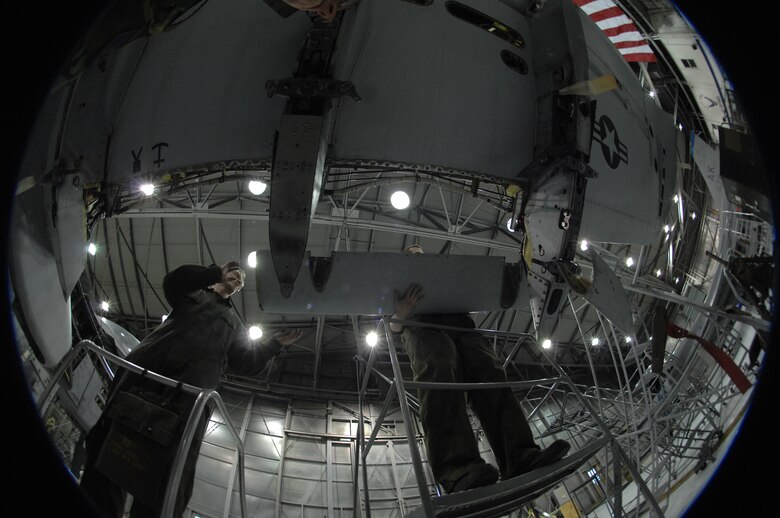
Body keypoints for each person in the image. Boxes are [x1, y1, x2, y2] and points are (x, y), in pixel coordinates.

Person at [79, 261, 302, 517]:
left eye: (241, 281)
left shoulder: (234, 323)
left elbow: (243, 363)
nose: (239, 281)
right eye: (235, 274)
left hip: (190, 397)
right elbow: (174, 280)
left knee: (172, 477)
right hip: (146, 374)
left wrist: (273, 345)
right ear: (222, 272)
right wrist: (212, 273)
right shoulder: (192, 293)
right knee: (107, 456)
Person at [391, 244, 571, 493]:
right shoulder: (395, 278)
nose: (419, 256)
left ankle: (519, 456)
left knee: (491, 373)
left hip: (462, 326)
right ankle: (458, 470)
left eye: (422, 252)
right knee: (439, 371)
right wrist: (400, 314)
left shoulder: (444, 273)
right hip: (420, 327)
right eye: (412, 254)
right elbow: (390, 326)